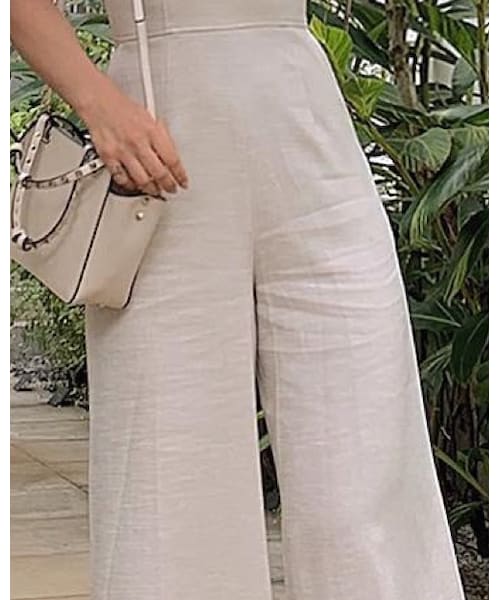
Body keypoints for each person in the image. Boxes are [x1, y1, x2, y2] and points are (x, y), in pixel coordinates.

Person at [11, 1, 467, 599]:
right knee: (171, 472)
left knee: (366, 457)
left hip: (308, 122)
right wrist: (99, 104)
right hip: (157, 140)